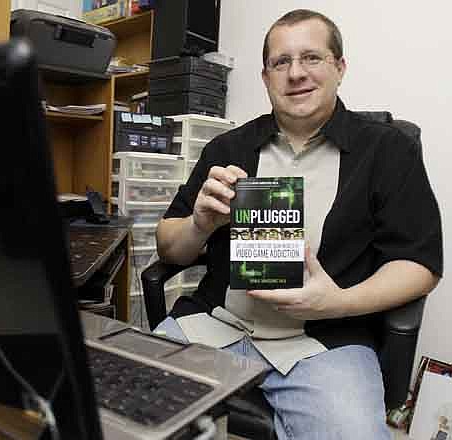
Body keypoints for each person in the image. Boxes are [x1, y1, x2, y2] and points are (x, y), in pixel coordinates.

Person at [155, 9, 443, 439]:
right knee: (119, 407)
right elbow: (168, 247)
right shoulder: (226, 147)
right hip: (215, 325)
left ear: (339, 67)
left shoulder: (388, 150)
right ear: (266, 76)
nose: (295, 73)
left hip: (325, 342)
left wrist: (337, 303)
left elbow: (419, 266)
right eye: (281, 62)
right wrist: (199, 224)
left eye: (311, 58)